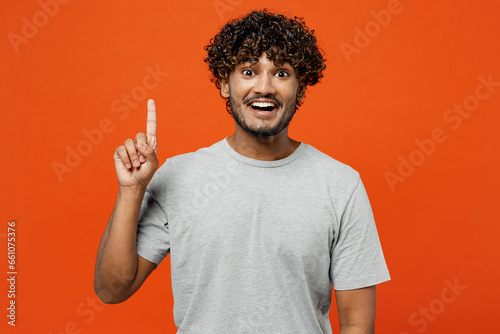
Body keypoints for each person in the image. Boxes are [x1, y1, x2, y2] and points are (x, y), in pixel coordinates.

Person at [94, 9, 390, 334]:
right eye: (249, 71)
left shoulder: (341, 185)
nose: (264, 87)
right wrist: (131, 190)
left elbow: (356, 324)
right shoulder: (178, 175)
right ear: (224, 83)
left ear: (300, 89)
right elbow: (111, 290)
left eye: (281, 73)